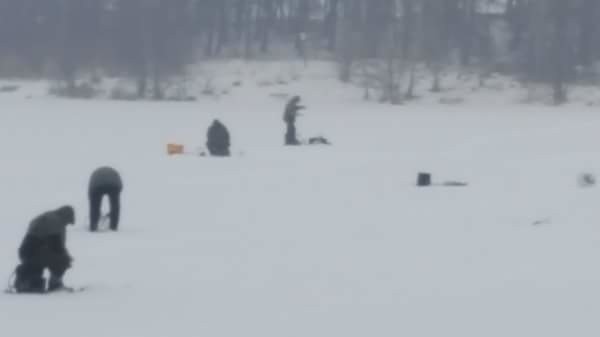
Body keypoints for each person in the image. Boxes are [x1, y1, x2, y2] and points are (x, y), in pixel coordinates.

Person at [13, 205, 75, 293]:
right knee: (62, 260)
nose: (67, 224)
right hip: (34, 253)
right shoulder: (55, 221)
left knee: (46, 262)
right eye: (68, 221)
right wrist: (66, 257)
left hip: (26, 252)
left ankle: (26, 283)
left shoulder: (48, 217)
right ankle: (55, 284)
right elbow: (56, 245)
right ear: (66, 216)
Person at [89, 166, 123, 232]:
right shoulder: (114, 172)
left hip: (97, 184)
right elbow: (120, 188)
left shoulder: (95, 175)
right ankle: (113, 226)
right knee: (115, 206)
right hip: (114, 183)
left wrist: (96, 212)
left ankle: (93, 226)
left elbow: (91, 198)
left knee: (94, 206)